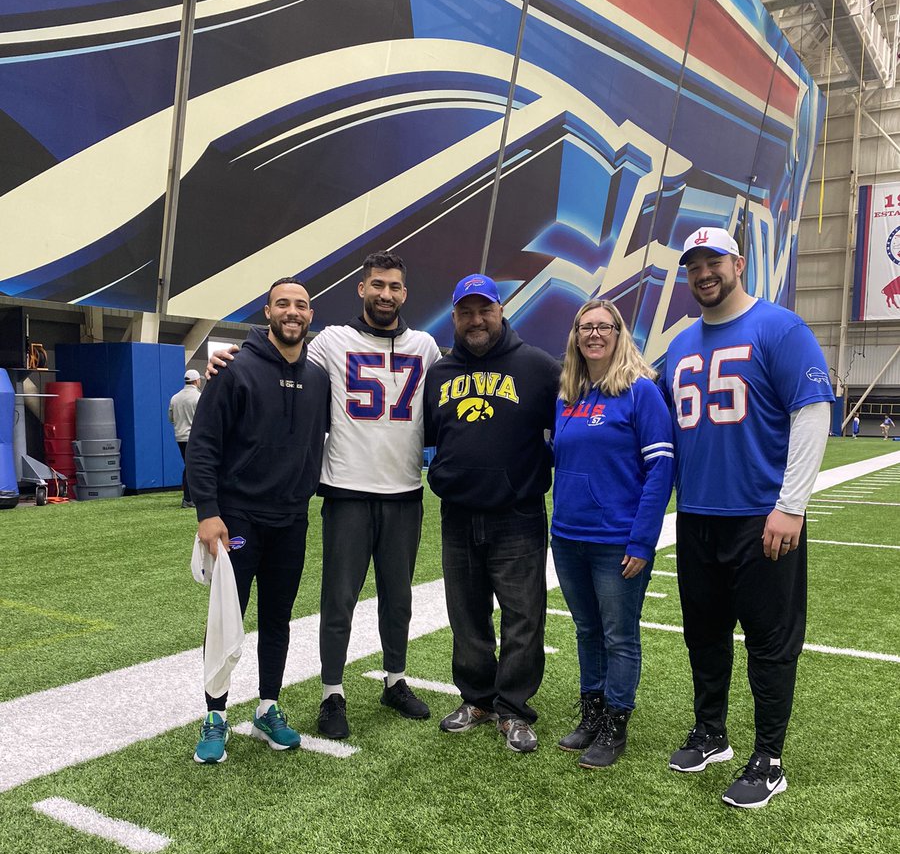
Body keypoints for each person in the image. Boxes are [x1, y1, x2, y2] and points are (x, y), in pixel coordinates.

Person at [209, 251, 441, 740]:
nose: (385, 294)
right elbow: (279, 358)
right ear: (362, 289)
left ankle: (395, 680)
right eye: (377, 285)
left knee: (398, 599)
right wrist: (223, 360)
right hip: (346, 491)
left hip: (405, 491)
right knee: (339, 600)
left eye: (394, 287)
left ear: (405, 292)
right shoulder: (331, 341)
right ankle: (331, 692)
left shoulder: (426, 346)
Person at [661, 227, 833, 809]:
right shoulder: (682, 345)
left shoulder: (780, 327)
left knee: (769, 639)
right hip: (698, 515)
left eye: (714, 262)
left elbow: (811, 414)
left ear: (738, 263)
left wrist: (791, 505)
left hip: (761, 516)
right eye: (693, 265)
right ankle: (711, 732)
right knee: (703, 633)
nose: (704, 273)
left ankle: (770, 757)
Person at [186, 279, 330, 764]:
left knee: (278, 618)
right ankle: (215, 714)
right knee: (227, 617)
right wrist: (208, 513)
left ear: (310, 316)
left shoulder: (318, 377)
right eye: (283, 303)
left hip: (292, 517)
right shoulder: (234, 369)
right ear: (267, 311)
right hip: (239, 516)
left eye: (302, 305)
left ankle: (268, 707)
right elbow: (203, 445)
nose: (293, 312)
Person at [424, 274, 560, 753]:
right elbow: (428, 436)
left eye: (485, 310)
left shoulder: (540, 368)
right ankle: (477, 698)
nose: (476, 320)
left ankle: (515, 707)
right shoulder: (438, 373)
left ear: (501, 311)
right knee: (466, 615)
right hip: (458, 513)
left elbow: (573, 422)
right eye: (466, 312)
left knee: (524, 616)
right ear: (455, 317)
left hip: (517, 514)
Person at [551, 300, 674, 769]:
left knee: (619, 635)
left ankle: (616, 723)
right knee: (587, 630)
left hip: (617, 540)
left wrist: (642, 540)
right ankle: (592, 713)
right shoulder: (567, 395)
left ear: (620, 334)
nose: (594, 334)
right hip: (567, 536)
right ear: (576, 336)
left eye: (604, 327)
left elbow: (661, 468)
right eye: (586, 327)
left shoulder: (641, 392)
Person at [168, 369, 202, 507]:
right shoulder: (199, 397)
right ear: (196, 380)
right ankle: (189, 499)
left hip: (180, 436)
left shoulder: (175, 398)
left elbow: (171, 418)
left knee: (189, 465)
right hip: (194, 436)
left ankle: (189, 497)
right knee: (192, 467)